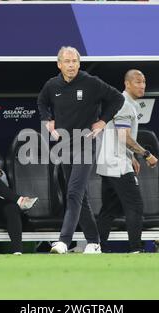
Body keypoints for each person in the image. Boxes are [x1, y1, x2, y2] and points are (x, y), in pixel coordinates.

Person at [37, 46, 125, 254]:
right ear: (59, 64)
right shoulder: (52, 85)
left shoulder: (91, 82)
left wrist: (103, 121)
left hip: (86, 143)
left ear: (79, 63)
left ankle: (63, 241)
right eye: (67, 61)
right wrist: (46, 120)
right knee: (79, 196)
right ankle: (94, 243)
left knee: (74, 192)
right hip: (64, 144)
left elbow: (117, 99)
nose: (71, 65)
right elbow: (41, 102)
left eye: (74, 61)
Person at [96, 69, 158, 253]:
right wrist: (146, 154)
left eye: (144, 82)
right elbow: (123, 136)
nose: (142, 86)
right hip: (117, 164)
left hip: (110, 163)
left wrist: (131, 157)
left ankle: (97, 246)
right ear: (127, 84)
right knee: (135, 206)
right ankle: (136, 249)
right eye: (138, 82)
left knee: (109, 208)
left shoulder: (127, 104)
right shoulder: (123, 104)